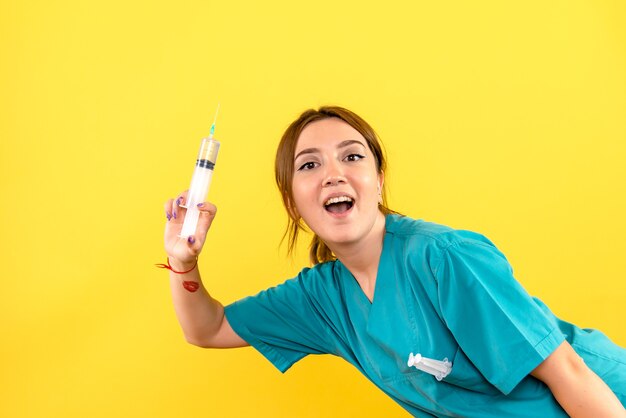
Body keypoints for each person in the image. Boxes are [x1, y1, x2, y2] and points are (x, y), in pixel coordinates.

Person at [161, 106, 626, 417]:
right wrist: (182, 262)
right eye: (309, 165)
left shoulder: (444, 259)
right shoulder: (323, 298)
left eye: (352, 156)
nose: (333, 174)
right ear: (292, 202)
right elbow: (207, 329)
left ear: (379, 180)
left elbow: (569, 373)